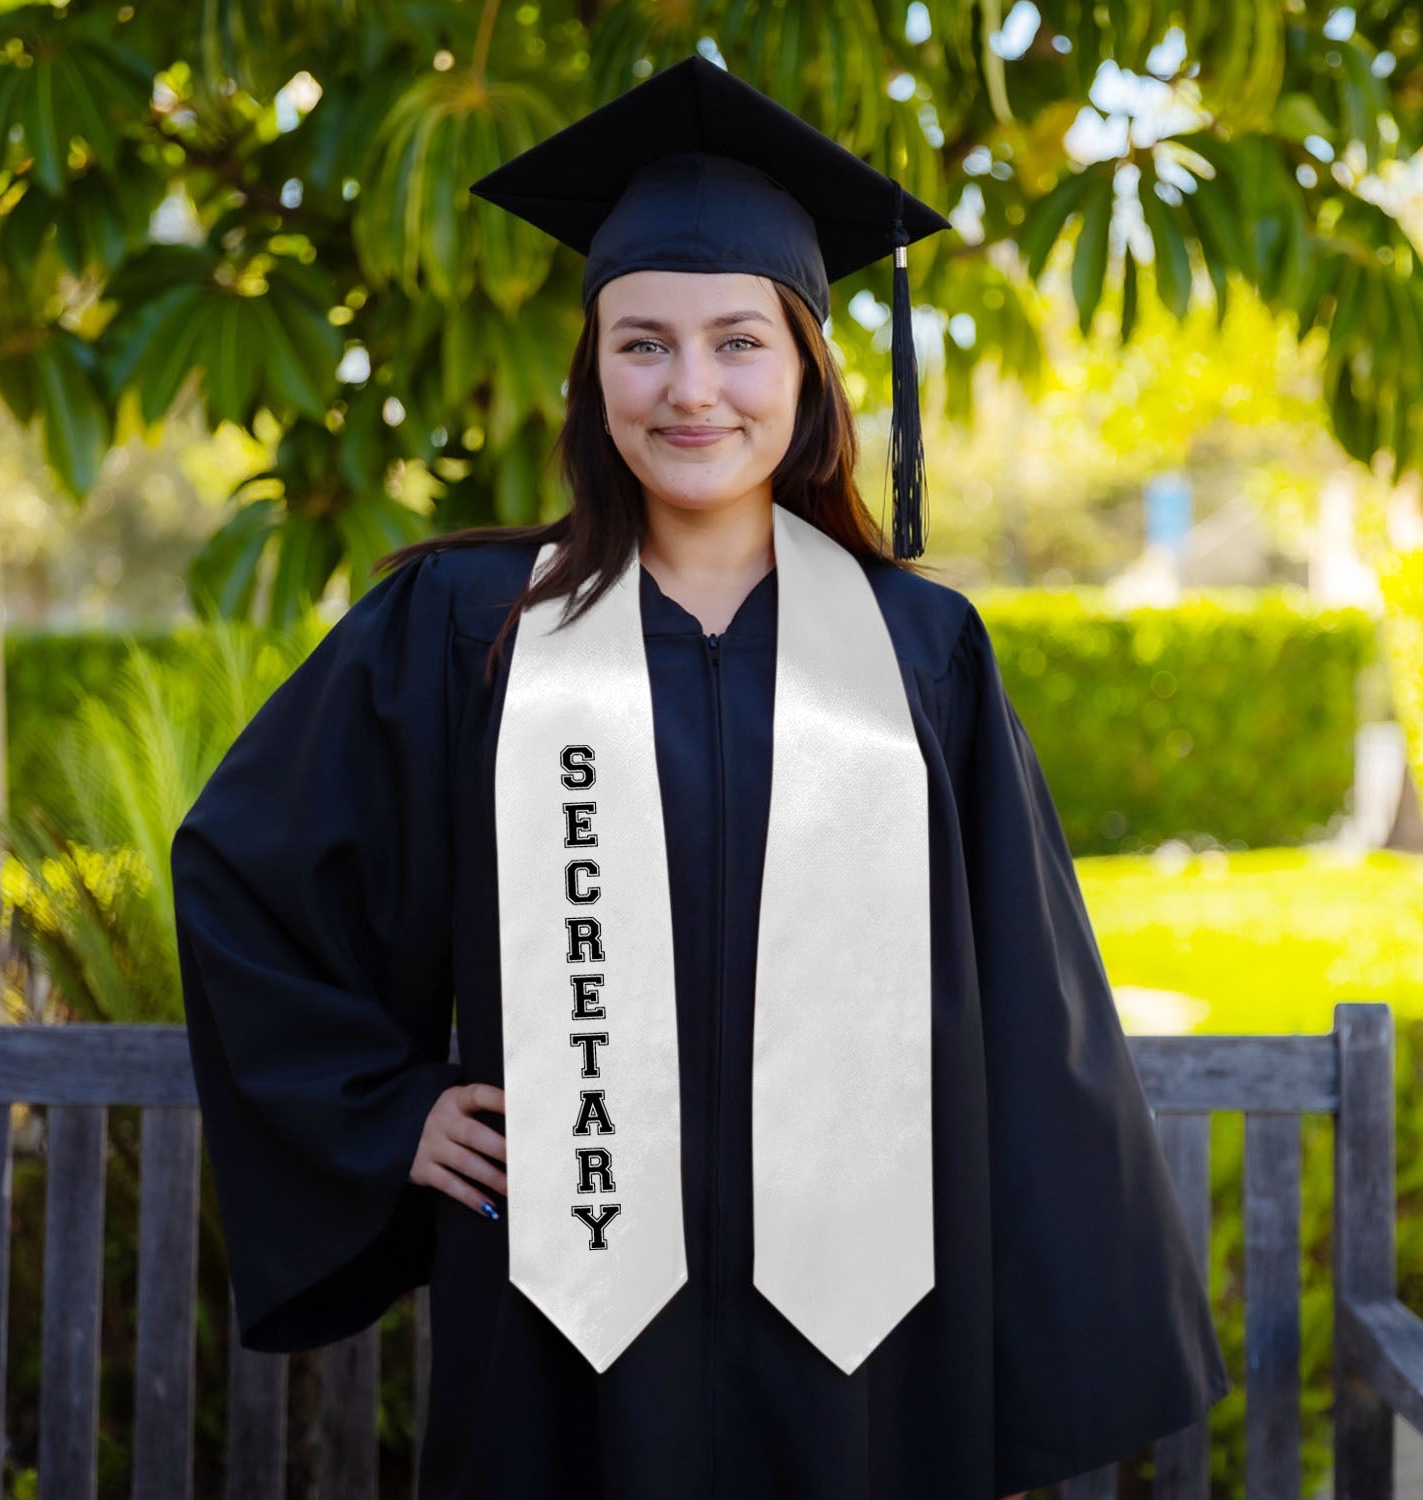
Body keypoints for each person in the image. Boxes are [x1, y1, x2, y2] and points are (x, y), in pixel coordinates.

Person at [170, 54, 1231, 1500]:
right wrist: (379, 1110)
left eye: (740, 342)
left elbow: (1029, 1006)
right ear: (591, 369)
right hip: (563, 1308)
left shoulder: (920, 651)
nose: (690, 391)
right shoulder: (471, 630)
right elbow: (245, 870)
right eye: (642, 344)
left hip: (867, 1322)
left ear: (807, 375)